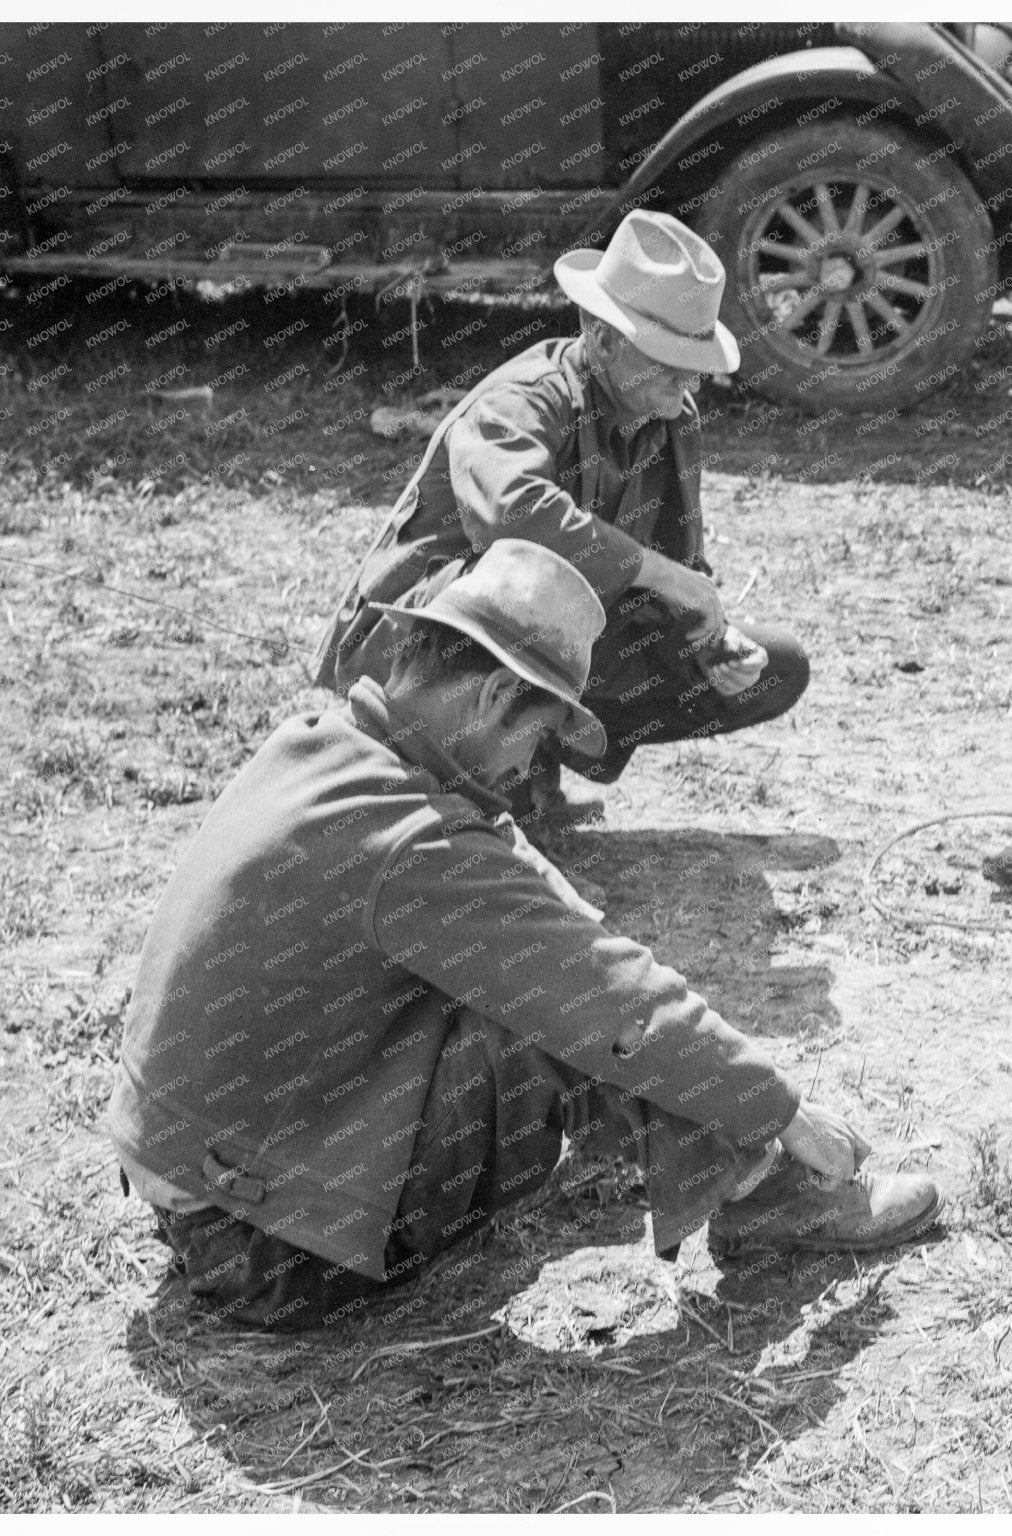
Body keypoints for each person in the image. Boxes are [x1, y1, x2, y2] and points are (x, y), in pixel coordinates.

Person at [110, 540, 937, 1332]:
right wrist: (780, 1109)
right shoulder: (415, 843)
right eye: (537, 739)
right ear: (491, 698)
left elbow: (537, 892)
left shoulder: (326, 749)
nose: (527, 770)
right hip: (264, 1256)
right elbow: (602, 992)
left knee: (558, 983)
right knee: (560, 1021)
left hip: (197, 1195)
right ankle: (763, 1191)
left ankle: (728, 1165)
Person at [311, 209, 805, 824]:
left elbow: (675, 568)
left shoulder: (672, 419)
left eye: (694, 360)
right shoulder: (523, 399)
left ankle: (531, 763)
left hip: (533, 640)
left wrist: (708, 639)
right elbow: (514, 521)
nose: (691, 382)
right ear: (602, 340)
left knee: (775, 665)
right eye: (670, 358)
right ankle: (487, 802)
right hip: (408, 649)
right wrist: (662, 575)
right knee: (526, 592)